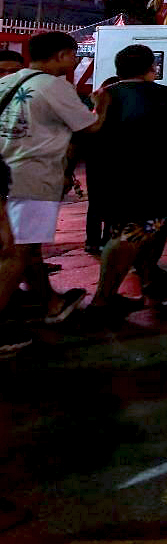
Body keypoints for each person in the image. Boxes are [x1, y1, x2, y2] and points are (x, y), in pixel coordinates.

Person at [83, 45, 167, 323]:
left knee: (129, 231)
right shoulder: (164, 96)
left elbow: (81, 137)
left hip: (107, 181)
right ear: (152, 68)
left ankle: (146, 275)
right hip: (153, 183)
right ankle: (102, 299)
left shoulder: (103, 96)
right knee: (131, 235)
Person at [0, 32, 103, 343]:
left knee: (26, 249)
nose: (74, 62)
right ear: (60, 55)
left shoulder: (7, 81)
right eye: (72, 56)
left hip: (3, 172)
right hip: (33, 176)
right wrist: (102, 105)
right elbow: (91, 127)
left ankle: (52, 303)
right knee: (16, 253)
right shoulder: (54, 86)